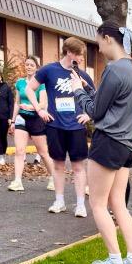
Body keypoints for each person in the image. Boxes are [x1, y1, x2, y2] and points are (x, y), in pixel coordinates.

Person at [70, 22, 132, 264]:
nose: (99, 49)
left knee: (99, 204)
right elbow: (112, 105)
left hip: (109, 142)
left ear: (108, 39)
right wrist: (89, 90)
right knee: (118, 203)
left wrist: (78, 92)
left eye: (99, 42)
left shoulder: (115, 70)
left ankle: (115, 260)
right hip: (128, 147)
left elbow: (95, 111)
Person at [26, 38, 93, 217]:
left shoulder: (82, 75)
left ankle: (80, 205)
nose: (81, 58)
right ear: (69, 53)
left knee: (79, 166)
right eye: (79, 55)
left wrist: (88, 115)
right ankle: (59, 201)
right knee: (58, 165)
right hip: (55, 126)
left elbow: (96, 98)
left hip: (76, 127)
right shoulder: (49, 70)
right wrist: (39, 109)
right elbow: (29, 89)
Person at [8, 55, 55, 192]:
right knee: (19, 150)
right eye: (27, 64)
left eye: (31, 65)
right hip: (22, 118)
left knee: (43, 152)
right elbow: (17, 103)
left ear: (37, 68)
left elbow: (43, 103)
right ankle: (17, 181)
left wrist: (33, 107)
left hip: (36, 119)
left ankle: (53, 178)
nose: (28, 67)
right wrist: (13, 120)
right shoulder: (20, 83)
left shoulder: (41, 84)